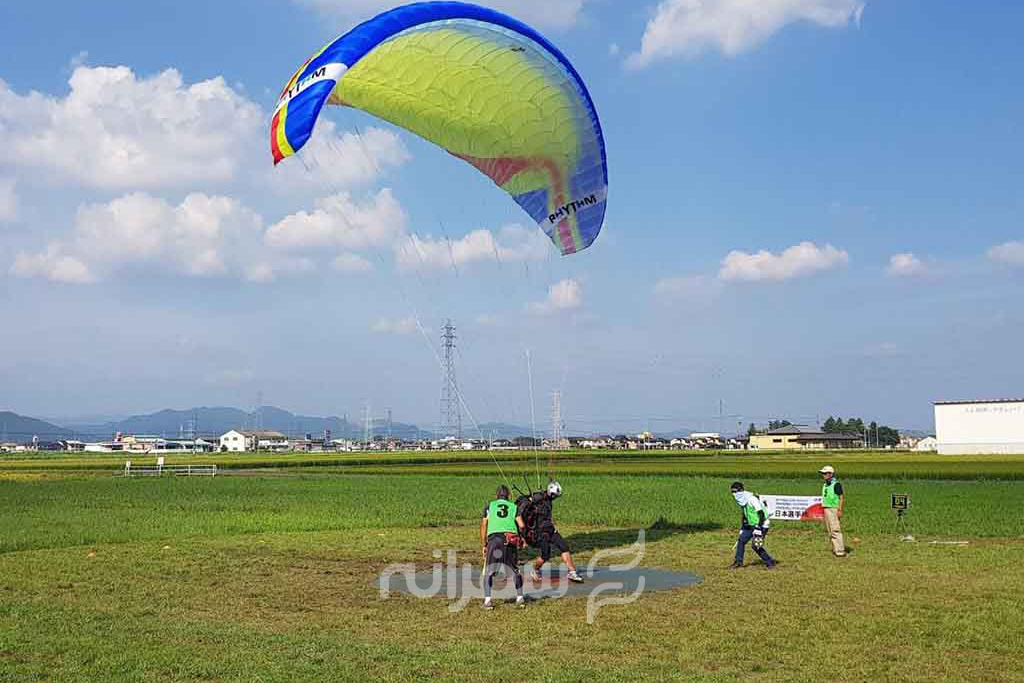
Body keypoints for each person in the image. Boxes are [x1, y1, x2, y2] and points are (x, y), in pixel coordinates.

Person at [519, 481, 584, 583]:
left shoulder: (548, 499)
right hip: (540, 532)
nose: (555, 497)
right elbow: (526, 505)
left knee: (564, 547)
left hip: (550, 529)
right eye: (554, 495)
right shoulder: (539, 497)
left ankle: (572, 572)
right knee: (546, 555)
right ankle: (535, 571)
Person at [480, 484, 526, 610]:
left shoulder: (489, 506)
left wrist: (484, 544)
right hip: (510, 540)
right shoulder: (514, 507)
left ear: (496, 496)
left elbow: (484, 525)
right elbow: (521, 525)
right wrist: (521, 538)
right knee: (515, 570)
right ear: (509, 496)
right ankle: (520, 598)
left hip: (494, 540)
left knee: (489, 571)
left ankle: (488, 601)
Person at [728, 481, 777, 569]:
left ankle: (770, 562)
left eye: (736, 491)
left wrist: (758, 527)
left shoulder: (751, 499)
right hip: (751, 524)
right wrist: (743, 528)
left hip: (762, 524)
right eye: (732, 492)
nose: (734, 494)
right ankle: (738, 562)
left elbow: (761, 513)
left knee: (756, 545)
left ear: (742, 490)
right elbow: (745, 514)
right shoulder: (742, 500)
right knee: (741, 541)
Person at [819, 465, 847, 557]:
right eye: (822, 473)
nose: (823, 475)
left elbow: (841, 498)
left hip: (833, 509)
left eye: (825, 473)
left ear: (831, 474)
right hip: (826, 509)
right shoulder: (825, 484)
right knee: (830, 530)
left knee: (835, 529)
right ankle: (836, 549)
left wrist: (839, 510)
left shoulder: (836, 484)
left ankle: (840, 551)